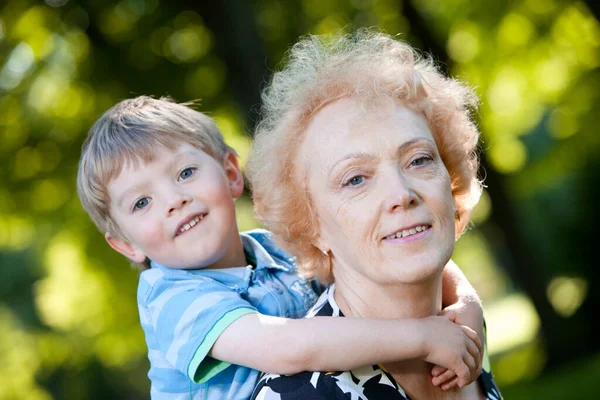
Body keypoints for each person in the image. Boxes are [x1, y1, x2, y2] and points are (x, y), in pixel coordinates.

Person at [76, 95, 486, 400]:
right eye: (142, 202)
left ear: (231, 173)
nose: (173, 200)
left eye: (185, 172)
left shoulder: (274, 248)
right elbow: (288, 347)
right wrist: (421, 337)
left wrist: (466, 309)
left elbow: (401, 255)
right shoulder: (172, 300)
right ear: (125, 244)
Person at [247, 29, 502, 399]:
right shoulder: (299, 394)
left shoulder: (463, 327)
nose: (401, 194)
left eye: (419, 159)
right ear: (311, 224)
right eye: (355, 180)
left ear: (450, 181)